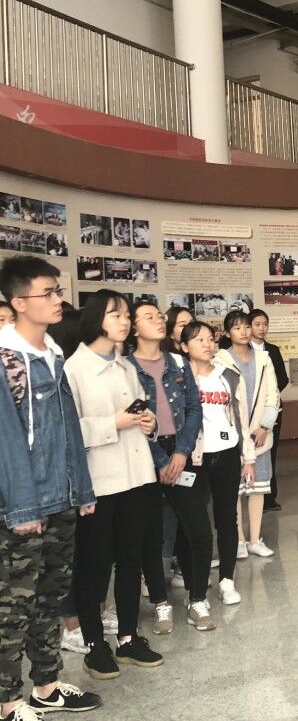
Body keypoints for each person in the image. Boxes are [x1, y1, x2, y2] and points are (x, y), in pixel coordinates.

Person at [0, 256, 102, 721]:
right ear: (19, 302)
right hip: (22, 505)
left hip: (60, 497)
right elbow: (6, 441)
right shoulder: (6, 359)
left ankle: (46, 686)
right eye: (48, 293)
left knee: (50, 597)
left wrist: (81, 487)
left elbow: (67, 430)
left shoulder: (53, 354)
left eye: (58, 290)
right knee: (13, 607)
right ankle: (6, 706)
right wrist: (22, 507)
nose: (59, 300)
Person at [64, 291, 163, 679]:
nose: (125, 321)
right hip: (100, 482)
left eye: (126, 315)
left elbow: (138, 414)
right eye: (116, 314)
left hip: (137, 476)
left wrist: (148, 423)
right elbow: (69, 431)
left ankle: (128, 637)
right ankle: (94, 644)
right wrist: (113, 424)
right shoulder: (75, 368)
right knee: (94, 565)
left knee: (130, 560)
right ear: (95, 319)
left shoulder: (125, 366)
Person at [126, 302, 209, 635]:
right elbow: (132, 420)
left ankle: (197, 599)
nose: (159, 321)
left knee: (199, 530)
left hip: (180, 450)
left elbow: (193, 408)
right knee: (151, 534)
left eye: (160, 316)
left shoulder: (177, 362)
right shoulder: (126, 367)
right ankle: (161, 603)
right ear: (134, 328)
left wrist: (181, 453)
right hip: (143, 453)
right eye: (149, 317)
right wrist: (161, 460)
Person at [182, 321, 256, 612]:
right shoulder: (179, 377)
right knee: (195, 524)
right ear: (184, 346)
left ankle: (227, 579)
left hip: (226, 454)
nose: (207, 344)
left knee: (227, 519)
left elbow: (241, 418)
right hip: (193, 458)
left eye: (210, 339)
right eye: (198, 339)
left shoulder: (228, 376)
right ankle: (194, 585)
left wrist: (248, 458)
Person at [215, 311, 280, 559]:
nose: (243, 331)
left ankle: (255, 540)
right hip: (233, 436)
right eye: (236, 327)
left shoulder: (264, 358)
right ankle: (239, 541)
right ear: (227, 332)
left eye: (245, 326)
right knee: (235, 490)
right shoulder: (220, 359)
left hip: (259, 435)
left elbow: (273, 394)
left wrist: (264, 426)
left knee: (257, 489)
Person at [247, 310, 288, 512]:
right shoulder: (240, 349)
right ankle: (250, 493)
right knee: (249, 453)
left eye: (265, 324)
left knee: (269, 452)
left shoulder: (272, 350)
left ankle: (269, 497)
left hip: (271, 409)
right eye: (257, 324)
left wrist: (268, 396)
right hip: (247, 411)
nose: (262, 328)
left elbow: (283, 379)